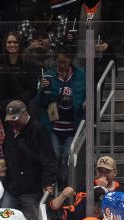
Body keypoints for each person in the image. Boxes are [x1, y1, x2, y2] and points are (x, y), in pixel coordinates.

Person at [1, 100, 57, 220]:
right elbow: (6, 151)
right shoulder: (10, 130)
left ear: (25, 114)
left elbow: (49, 159)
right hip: (11, 185)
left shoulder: (38, 130)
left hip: (31, 187)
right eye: (10, 120)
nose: (13, 123)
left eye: (15, 120)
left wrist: (48, 182)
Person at [36, 47, 86, 185]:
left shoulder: (80, 75)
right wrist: (42, 89)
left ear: (69, 60)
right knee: (55, 155)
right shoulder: (49, 75)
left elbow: (87, 95)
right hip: (54, 126)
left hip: (72, 126)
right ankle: (55, 183)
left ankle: (66, 184)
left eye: (64, 62)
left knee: (68, 156)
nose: (61, 65)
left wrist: (86, 103)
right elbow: (40, 103)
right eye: (58, 62)